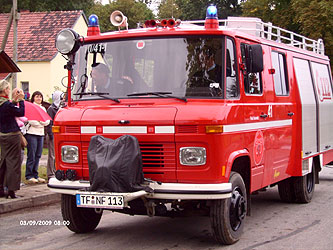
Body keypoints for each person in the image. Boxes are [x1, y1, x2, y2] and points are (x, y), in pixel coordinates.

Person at [0, 80, 25, 198]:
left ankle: (1, 188)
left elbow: (8, 108)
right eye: (8, 89)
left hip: (2, 134)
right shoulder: (7, 105)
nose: (9, 91)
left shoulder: (3, 104)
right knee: (13, 163)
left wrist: (14, 101)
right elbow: (20, 112)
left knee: (4, 161)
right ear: (5, 90)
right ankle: (11, 190)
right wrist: (21, 100)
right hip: (12, 135)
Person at [25, 91, 50, 184]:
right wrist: (40, 122)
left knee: (38, 155)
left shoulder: (43, 108)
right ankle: (29, 175)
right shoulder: (31, 107)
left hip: (40, 133)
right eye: (37, 97)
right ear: (33, 98)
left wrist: (40, 122)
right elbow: (31, 120)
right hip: (32, 133)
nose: (39, 98)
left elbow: (47, 121)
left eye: (40, 97)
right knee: (31, 154)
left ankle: (35, 174)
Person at [46, 90, 63, 180]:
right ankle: (50, 173)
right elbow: (49, 122)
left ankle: (56, 170)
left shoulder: (60, 108)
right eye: (61, 97)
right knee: (52, 155)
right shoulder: (51, 109)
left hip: (58, 135)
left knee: (57, 155)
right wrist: (51, 134)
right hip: (52, 134)